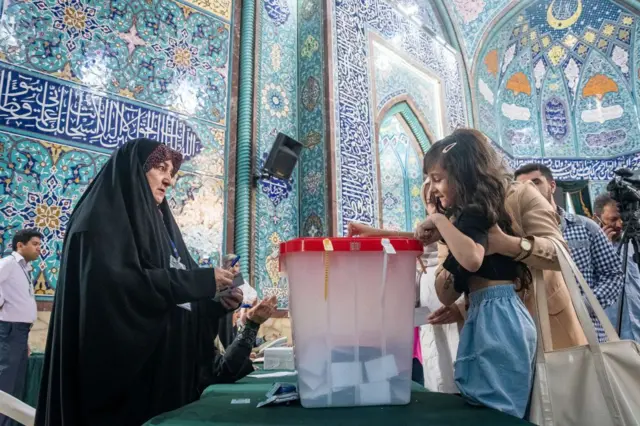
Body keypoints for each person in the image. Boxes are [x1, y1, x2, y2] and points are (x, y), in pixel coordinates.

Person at [36, 139, 244, 426]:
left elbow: (178, 302)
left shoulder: (162, 227)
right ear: (135, 169)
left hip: (163, 380)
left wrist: (214, 303)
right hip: (120, 387)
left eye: (172, 171)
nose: (169, 179)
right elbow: (119, 289)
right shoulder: (97, 222)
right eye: (160, 168)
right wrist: (202, 280)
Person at [415, 129, 536, 418]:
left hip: (498, 313)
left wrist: (439, 221)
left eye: (437, 179)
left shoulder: (476, 213)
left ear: (463, 174)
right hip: (487, 310)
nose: (433, 189)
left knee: (498, 408)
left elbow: (471, 259)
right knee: (484, 398)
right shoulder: (468, 216)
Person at [515, 164, 623, 343]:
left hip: (588, 333)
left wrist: (581, 305)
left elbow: (613, 275)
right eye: (523, 187)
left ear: (552, 186)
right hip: (537, 336)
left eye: (536, 183)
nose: (530, 190)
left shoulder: (585, 227)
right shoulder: (517, 236)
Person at [0, 229, 42, 425]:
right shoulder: (9, 263)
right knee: (6, 384)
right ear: (20, 245)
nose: (38, 249)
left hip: (19, 332)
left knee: (16, 384)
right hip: (9, 330)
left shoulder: (25, 268)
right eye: (35, 244)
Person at [594, 194, 640, 342]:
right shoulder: (589, 249)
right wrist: (602, 248)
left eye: (622, 218)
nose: (620, 225)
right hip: (610, 332)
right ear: (597, 219)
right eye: (613, 220)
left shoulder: (635, 244)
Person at [218, 254, 258, 348]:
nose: (235, 269)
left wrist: (244, 310)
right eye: (232, 266)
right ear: (224, 267)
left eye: (237, 266)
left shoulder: (240, 281)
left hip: (238, 324)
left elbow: (253, 297)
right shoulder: (220, 280)